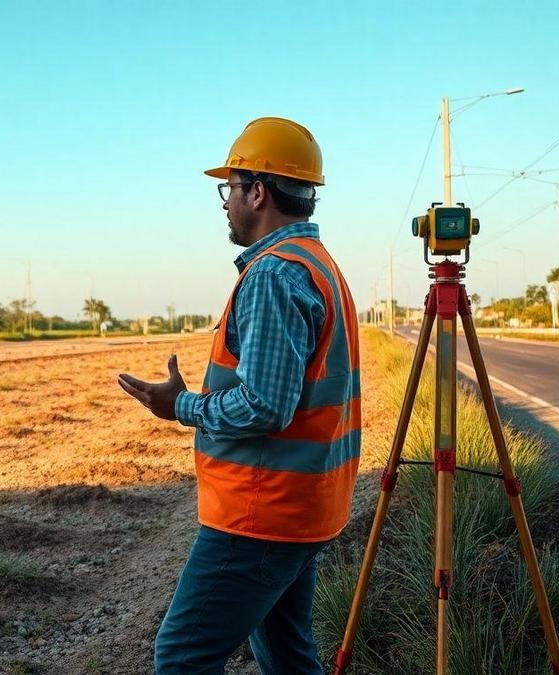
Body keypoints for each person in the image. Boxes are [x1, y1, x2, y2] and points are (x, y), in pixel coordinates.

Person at [117, 118, 360, 674]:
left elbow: (264, 405)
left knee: (183, 655)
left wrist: (179, 405)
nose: (225, 202)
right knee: (285, 652)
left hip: (261, 512)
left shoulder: (275, 275)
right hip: (304, 506)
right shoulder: (319, 266)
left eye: (230, 188)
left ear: (258, 191)